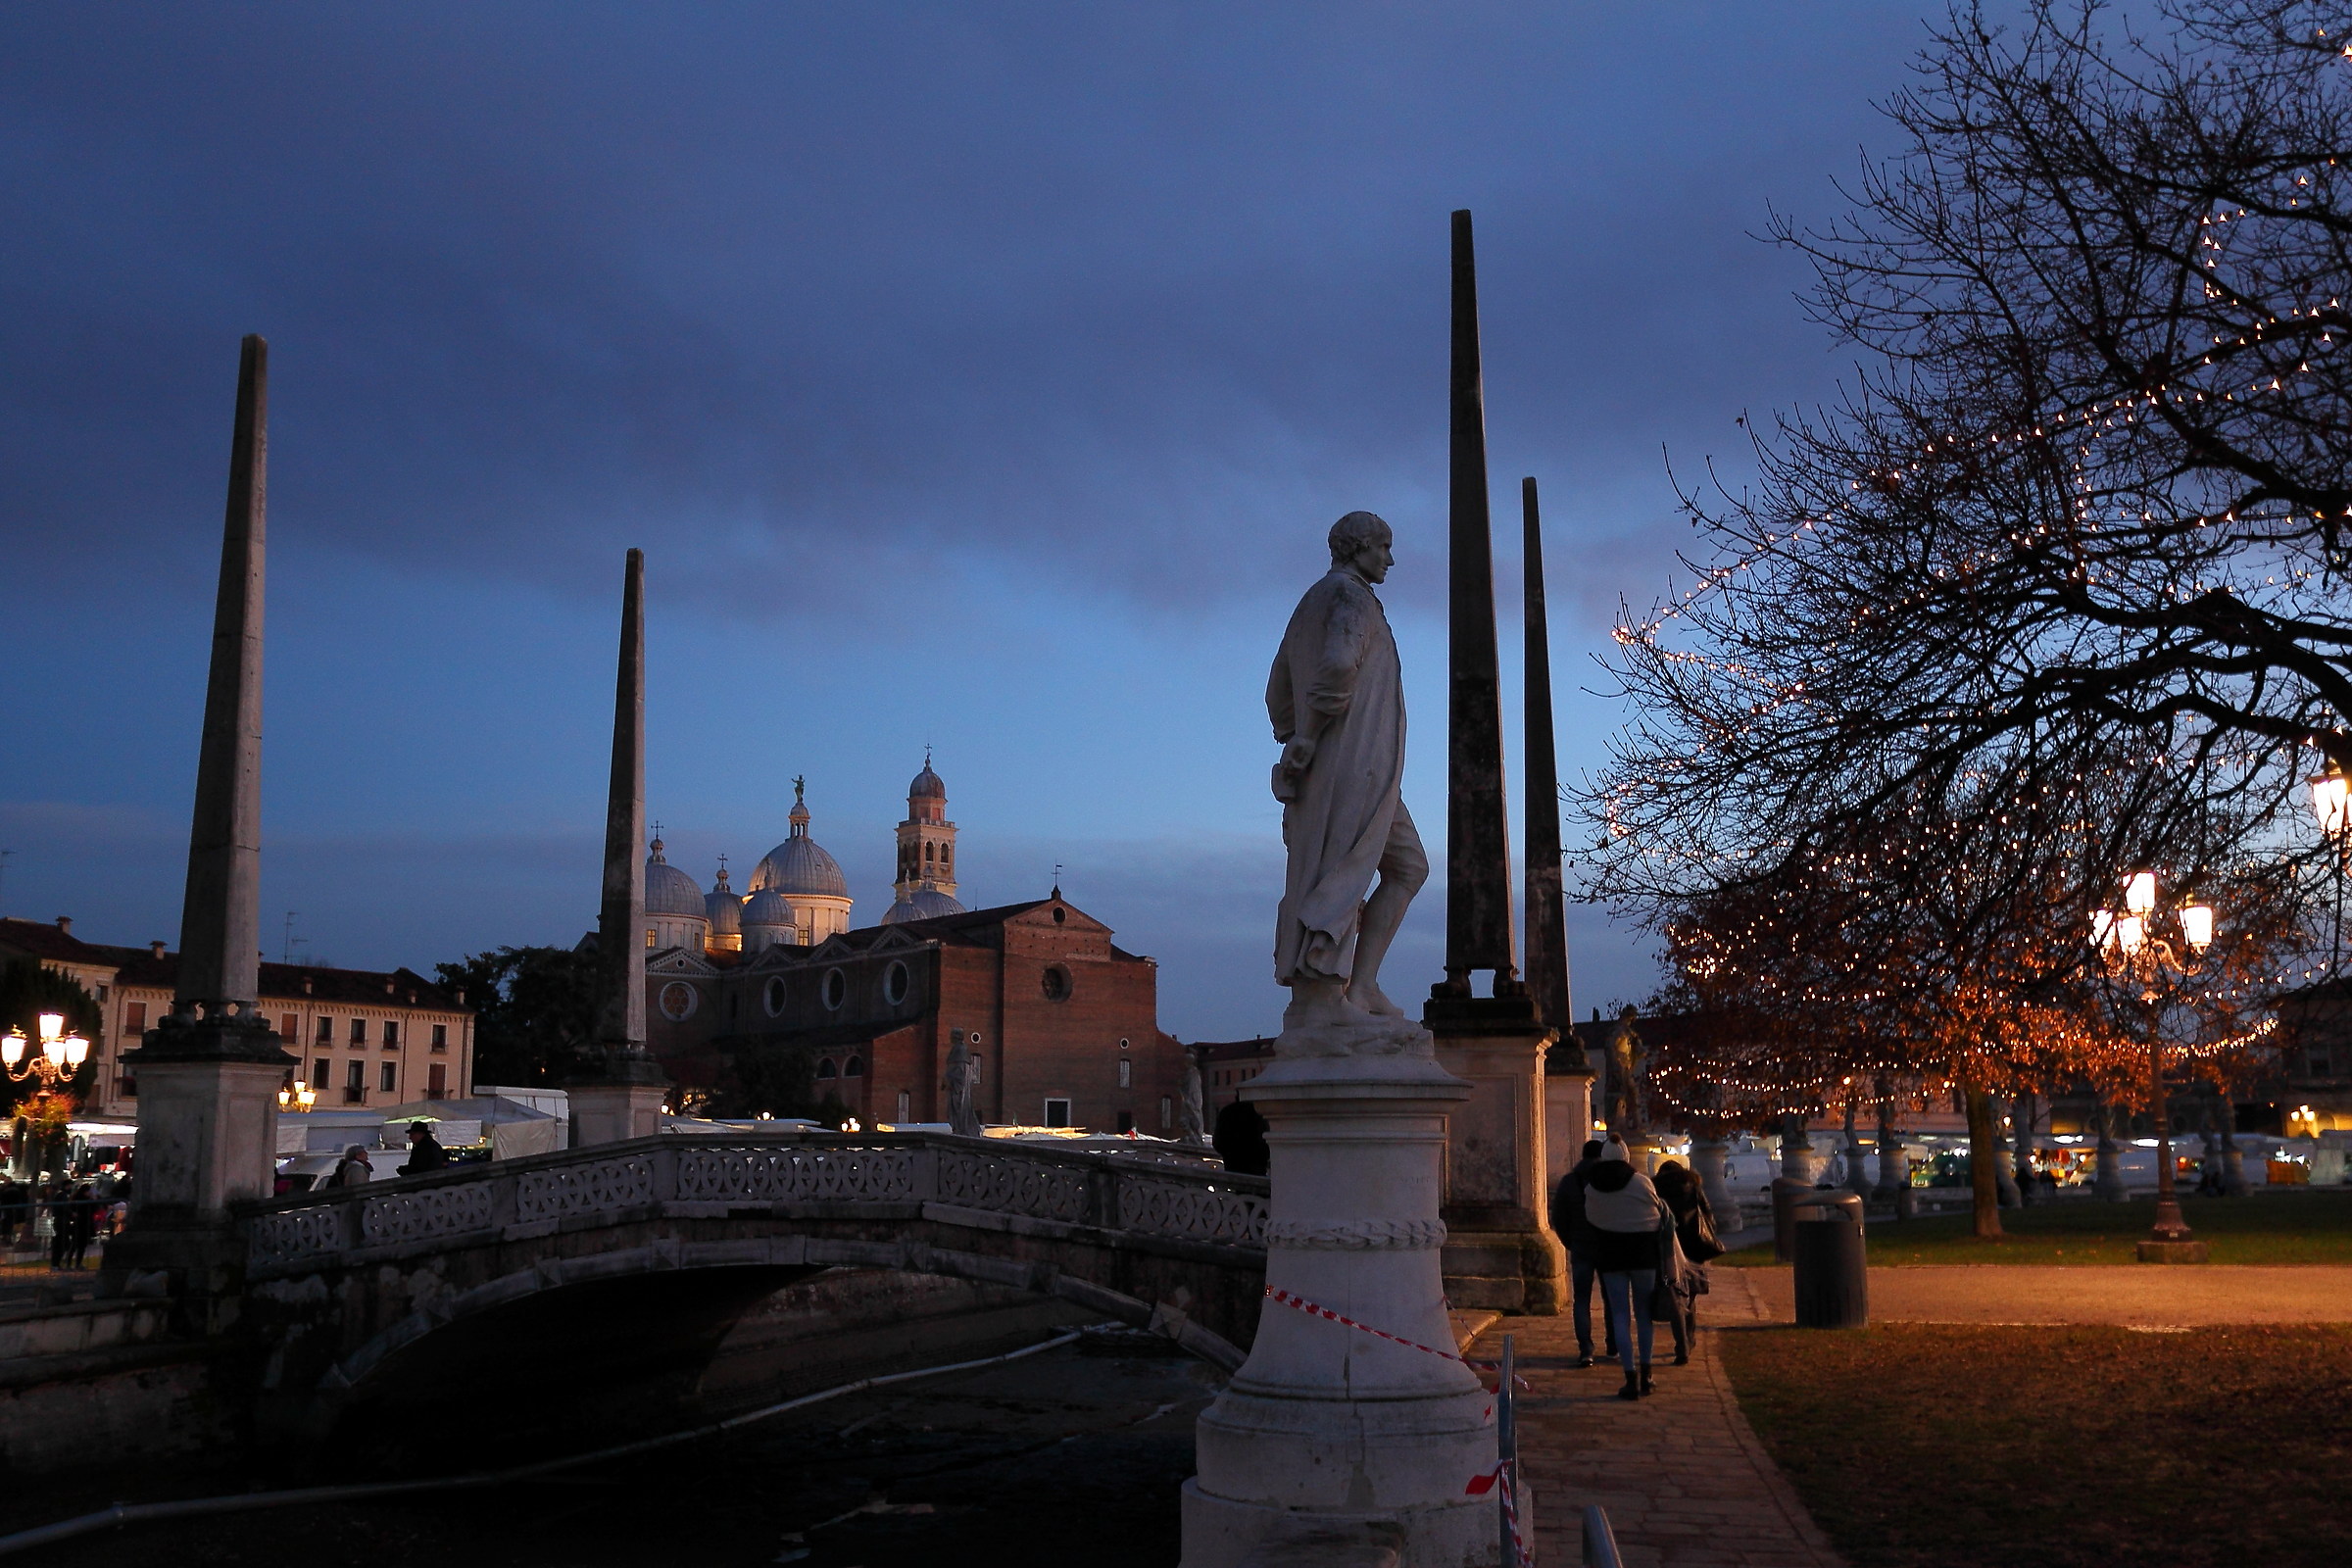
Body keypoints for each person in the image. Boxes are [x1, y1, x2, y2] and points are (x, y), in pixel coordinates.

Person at [1584, 1137, 1672, 1399]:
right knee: (1644, 1315)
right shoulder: (1641, 1181)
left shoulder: (1592, 1187)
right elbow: (1657, 1212)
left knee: (1620, 1315)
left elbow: (1591, 1217)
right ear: (1624, 1155)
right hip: (1643, 1254)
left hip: (1611, 1255)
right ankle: (1647, 1373)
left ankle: (1629, 1375)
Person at [1549, 1138, 1615, 1368]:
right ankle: (1613, 1343)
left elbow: (1559, 1217)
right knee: (1612, 1298)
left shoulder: (1570, 1181)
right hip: (1608, 1245)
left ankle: (1586, 1349)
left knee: (1582, 1299)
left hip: (1581, 1245)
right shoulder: (1610, 1179)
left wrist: (1571, 1241)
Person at [1652, 1159, 1716, 1366]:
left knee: (1674, 1296)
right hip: (1694, 1246)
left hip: (1670, 1249)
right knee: (1690, 1297)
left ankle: (1682, 1345)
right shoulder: (1693, 1185)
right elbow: (1708, 1214)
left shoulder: (1656, 1189)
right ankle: (1689, 1338)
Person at [61, 1185, 96, 1269]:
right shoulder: (78, 1199)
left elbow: (94, 1209)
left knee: (82, 1246)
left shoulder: (88, 1200)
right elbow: (71, 1209)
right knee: (75, 1244)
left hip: (85, 1223)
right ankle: (69, 1263)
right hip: (80, 1224)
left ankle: (78, 1263)